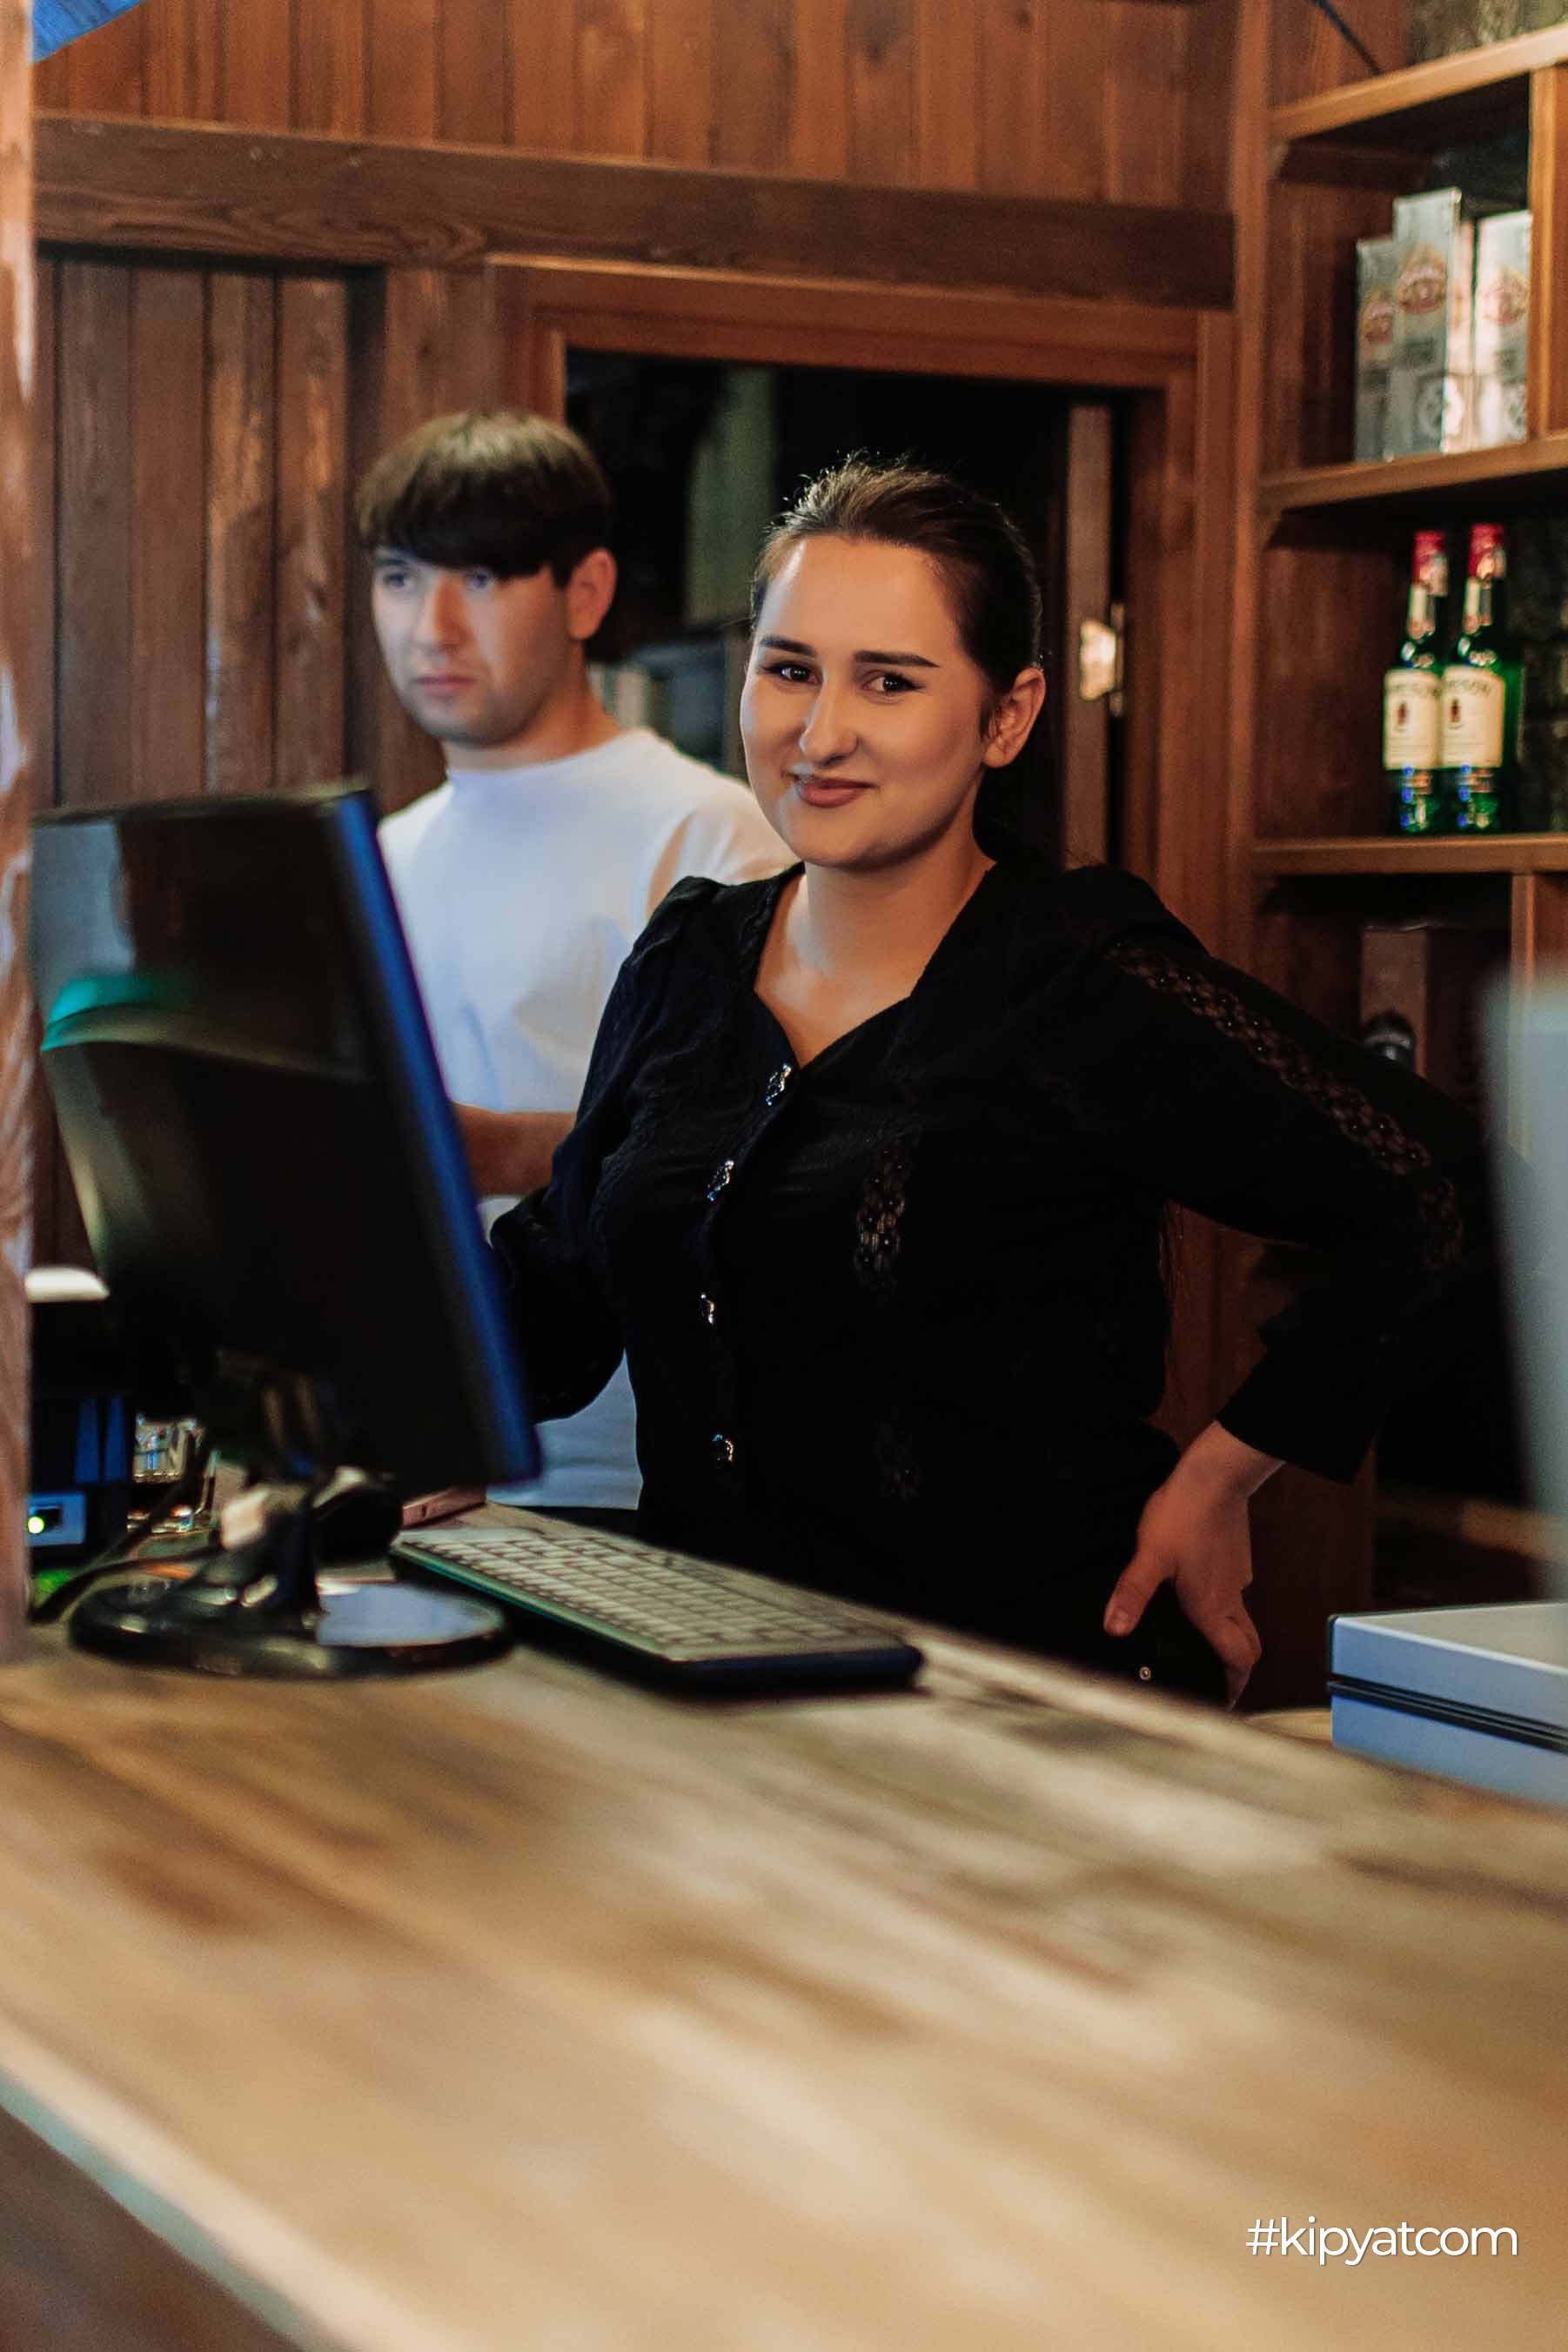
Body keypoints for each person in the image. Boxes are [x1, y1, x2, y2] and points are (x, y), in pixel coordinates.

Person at [483, 459, 1492, 1705]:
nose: (820, 732)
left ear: (1006, 718)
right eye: (789, 669)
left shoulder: (1077, 979)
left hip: (1012, 1696)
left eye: (888, 681)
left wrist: (1220, 1474)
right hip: (709, 1683)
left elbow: (1440, 1193)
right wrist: (411, 1411)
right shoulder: (687, 956)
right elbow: (564, 1280)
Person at [357, 410, 787, 1522]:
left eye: (481, 578)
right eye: (400, 579)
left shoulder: (711, 839)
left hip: (625, 1476)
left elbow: (777, 1155)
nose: (432, 626)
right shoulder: (383, 856)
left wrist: (491, 1146)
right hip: (418, 1457)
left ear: (585, 593)